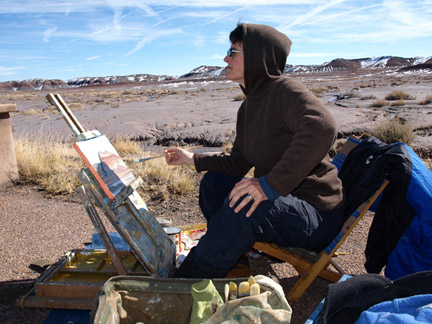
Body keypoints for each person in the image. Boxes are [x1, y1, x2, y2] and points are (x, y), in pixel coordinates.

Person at [164, 23, 345, 278]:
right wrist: (192, 159)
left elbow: (322, 128)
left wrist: (269, 185)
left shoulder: (284, 90)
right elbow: (238, 163)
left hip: (315, 215)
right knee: (214, 183)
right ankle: (228, 250)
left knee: (247, 202)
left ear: (258, 58)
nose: (225, 58)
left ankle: (189, 278)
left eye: (233, 52)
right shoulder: (248, 107)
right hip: (284, 208)